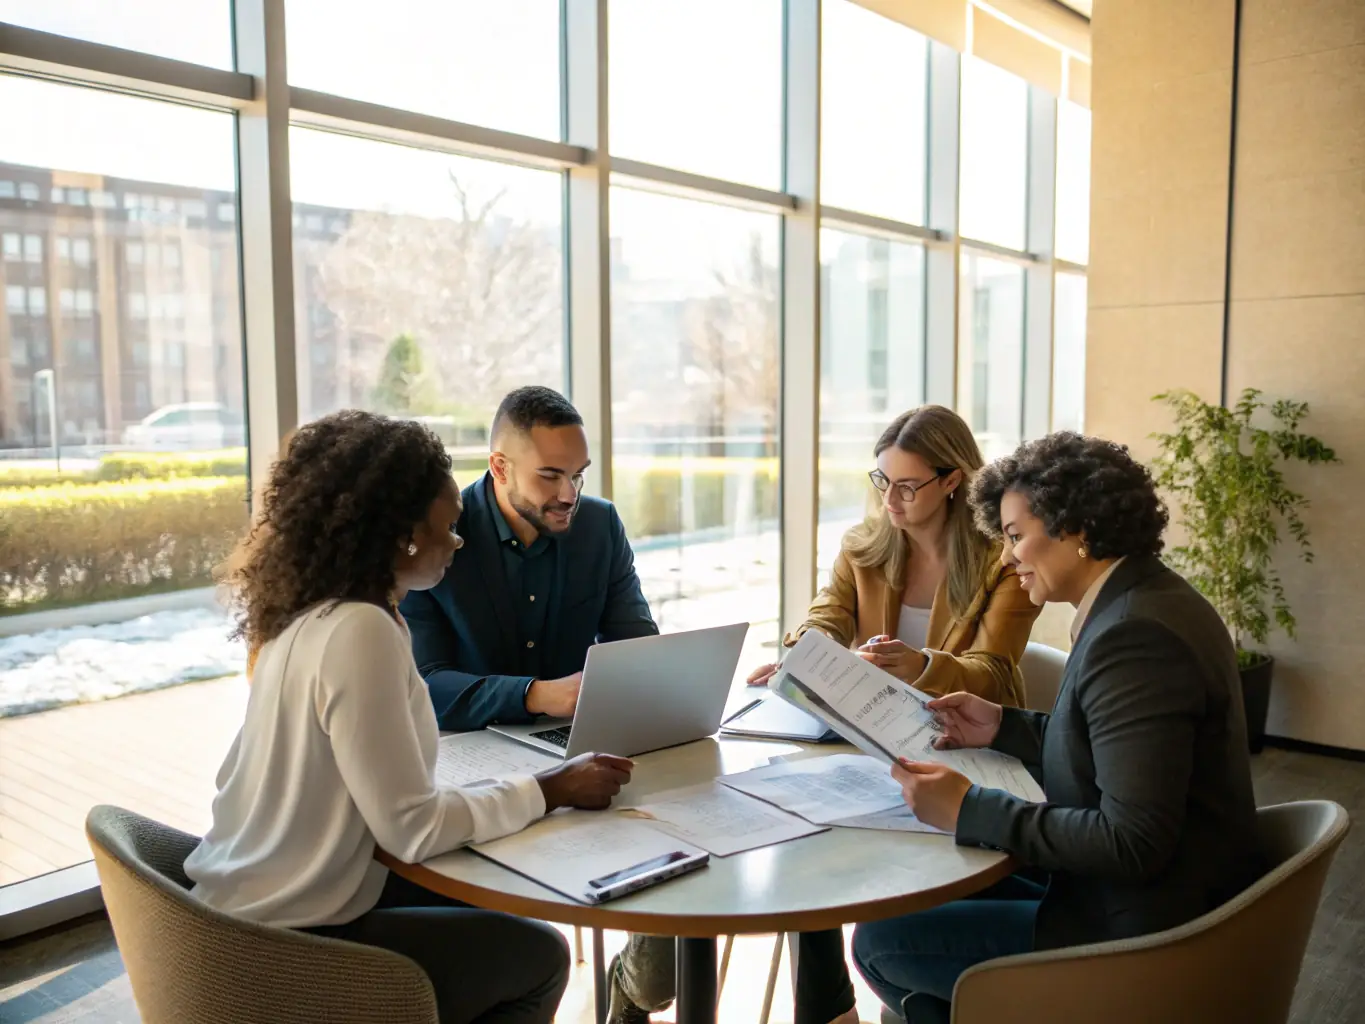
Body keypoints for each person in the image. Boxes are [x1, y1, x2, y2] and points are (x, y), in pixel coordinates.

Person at [186, 410, 635, 1024]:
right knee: (540, 956)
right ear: (402, 533)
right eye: (448, 528)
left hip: (231, 916)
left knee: (493, 913)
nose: (457, 541)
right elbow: (412, 831)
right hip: (284, 947)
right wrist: (551, 788)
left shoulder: (311, 614)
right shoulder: (360, 630)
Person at [611, 406, 1041, 1024]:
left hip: (962, 751)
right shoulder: (866, 547)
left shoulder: (1002, 562)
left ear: (952, 481)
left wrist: (921, 664)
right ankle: (830, 1010)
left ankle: (822, 1007)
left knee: (820, 842)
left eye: (907, 485)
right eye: (881, 481)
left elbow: (995, 673)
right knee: (793, 832)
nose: (890, 499)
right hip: (869, 747)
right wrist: (803, 656)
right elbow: (826, 614)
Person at [842, 431, 1264, 1024]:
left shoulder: (1133, 638)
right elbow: (1119, 746)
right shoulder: (1146, 599)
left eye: (1016, 536)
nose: (1008, 556)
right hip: (1158, 894)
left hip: (1142, 935)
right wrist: (1002, 728)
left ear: (1079, 530)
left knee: (878, 941)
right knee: (936, 909)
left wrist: (969, 808)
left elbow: (1132, 843)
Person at [400, 386, 658, 732]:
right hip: (469, 746)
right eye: (550, 476)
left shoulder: (601, 526)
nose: (570, 495)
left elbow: (637, 646)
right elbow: (421, 683)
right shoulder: (437, 537)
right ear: (500, 467)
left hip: (578, 737)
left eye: (577, 474)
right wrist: (532, 695)